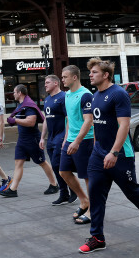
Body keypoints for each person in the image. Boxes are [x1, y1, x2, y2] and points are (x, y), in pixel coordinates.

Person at [79, 58, 139, 254]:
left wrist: (114, 152)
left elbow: (124, 125)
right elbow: (97, 125)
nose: (90, 75)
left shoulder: (118, 94)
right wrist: (96, 149)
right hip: (99, 153)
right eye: (90, 72)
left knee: (133, 193)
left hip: (120, 155)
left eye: (94, 72)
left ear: (105, 75)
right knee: (95, 194)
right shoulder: (95, 95)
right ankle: (97, 238)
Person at [0, 84, 59, 198]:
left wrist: (15, 120)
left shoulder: (29, 106)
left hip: (32, 139)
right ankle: (13, 189)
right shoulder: (21, 105)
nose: (13, 94)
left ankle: (54, 184)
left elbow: (31, 122)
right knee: (18, 162)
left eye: (14, 92)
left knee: (42, 162)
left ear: (20, 93)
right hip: (22, 139)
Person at [59, 65, 94, 225]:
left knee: (87, 177)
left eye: (65, 77)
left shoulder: (86, 95)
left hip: (84, 140)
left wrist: (77, 141)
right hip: (71, 140)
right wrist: (66, 140)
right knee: (63, 171)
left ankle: (92, 210)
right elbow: (69, 120)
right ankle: (84, 200)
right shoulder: (66, 95)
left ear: (74, 77)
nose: (62, 79)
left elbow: (89, 120)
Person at [38, 75, 77, 205]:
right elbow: (46, 119)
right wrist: (42, 137)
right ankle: (65, 193)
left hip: (61, 136)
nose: (45, 85)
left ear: (56, 83)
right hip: (51, 137)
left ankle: (71, 190)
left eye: (47, 82)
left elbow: (68, 118)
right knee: (56, 167)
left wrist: (66, 137)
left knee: (57, 164)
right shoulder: (48, 99)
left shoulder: (63, 97)